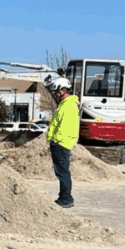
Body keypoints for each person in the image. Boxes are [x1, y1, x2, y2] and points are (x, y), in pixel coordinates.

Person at [46, 77, 79, 208]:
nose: (55, 93)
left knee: (62, 172)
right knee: (61, 171)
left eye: (56, 91)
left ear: (63, 90)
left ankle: (66, 198)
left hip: (61, 142)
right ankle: (64, 197)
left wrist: (55, 140)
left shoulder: (68, 106)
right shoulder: (65, 104)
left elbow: (64, 126)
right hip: (61, 142)